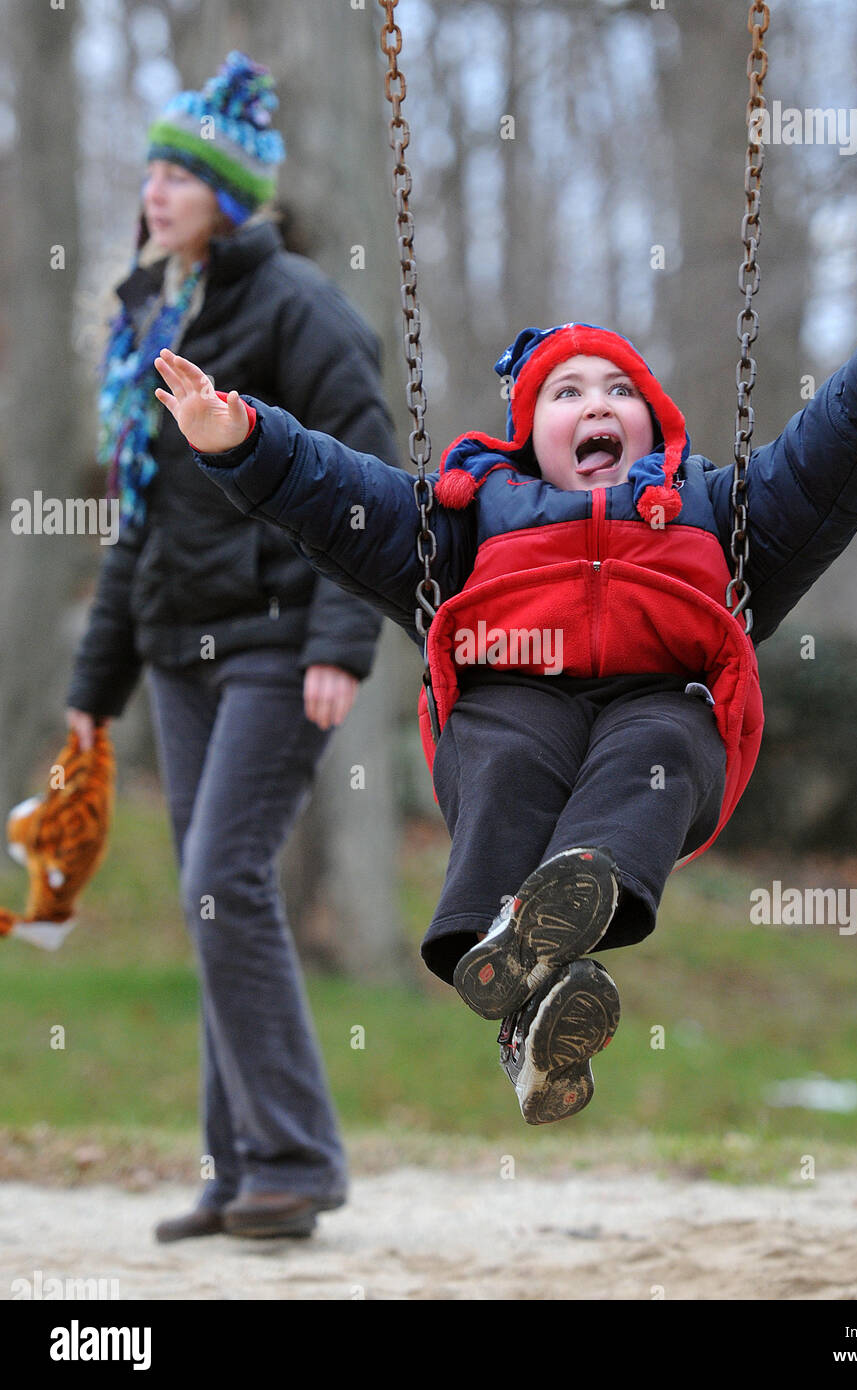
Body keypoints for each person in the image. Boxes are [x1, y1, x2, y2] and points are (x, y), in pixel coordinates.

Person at [151, 277, 857, 1126]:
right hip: (512, 693)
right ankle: (524, 1000)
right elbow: (343, 499)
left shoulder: (707, 505)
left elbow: (821, 470)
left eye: (620, 390)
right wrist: (245, 441)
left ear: (653, 420)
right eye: (569, 392)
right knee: (505, 759)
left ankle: (570, 895)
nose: (599, 404)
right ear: (529, 435)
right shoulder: (471, 514)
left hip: (660, 696)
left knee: (660, 749)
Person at [66, 53, 400, 1235]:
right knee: (211, 898)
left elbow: (366, 480)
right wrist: (92, 686)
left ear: (231, 193)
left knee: (224, 879)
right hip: (178, 648)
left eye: (181, 173)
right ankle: (240, 1166)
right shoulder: (151, 315)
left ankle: (296, 1158)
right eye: (151, 168)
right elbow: (139, 513)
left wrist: (341, 638)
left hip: (276, 641)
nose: (155, 189)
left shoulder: (298, 308)